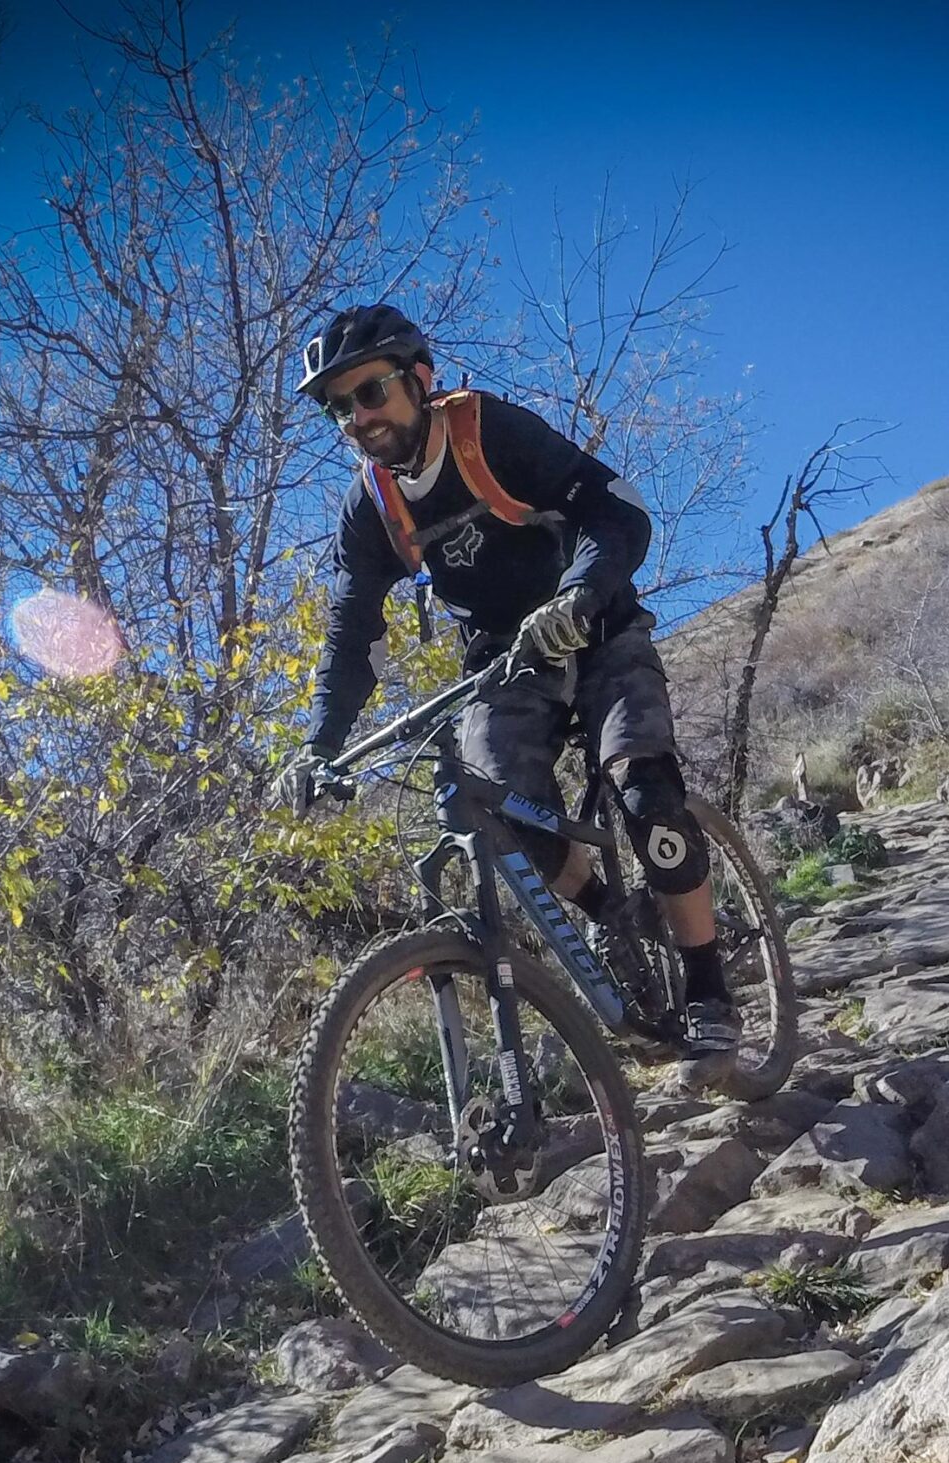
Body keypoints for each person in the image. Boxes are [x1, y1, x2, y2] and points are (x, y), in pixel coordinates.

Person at [283, 303, 739, 1054]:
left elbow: (613, 508)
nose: (357, 419)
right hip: (501, 660)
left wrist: (578, 595)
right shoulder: (371, 507)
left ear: (418, 381)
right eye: (339, 409)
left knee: (646, 796)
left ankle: (711, 989)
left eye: (370, 394)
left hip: (596, 628)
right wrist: (318, 746)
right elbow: (349, 633)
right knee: (507, 814)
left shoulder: (486, 432)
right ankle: (607, 914)